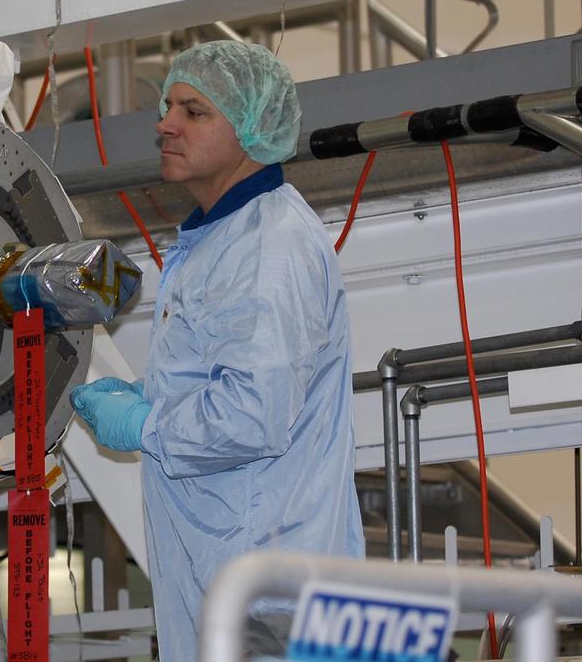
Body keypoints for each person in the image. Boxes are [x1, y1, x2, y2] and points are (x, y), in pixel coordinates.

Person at [69, 40, 364, 661]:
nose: (165, 125)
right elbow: (218, 378)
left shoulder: (272, 247)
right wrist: (151, 400)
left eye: (193, 112)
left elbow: (254, 413)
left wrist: (147, 423)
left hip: (270, 589)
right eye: (167, 106)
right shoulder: (220, 238)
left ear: (252, 128)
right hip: (228, 574)